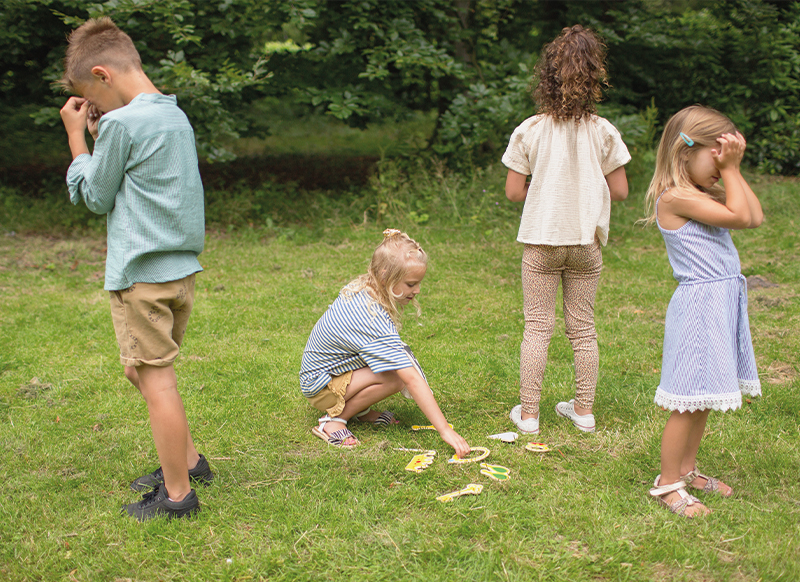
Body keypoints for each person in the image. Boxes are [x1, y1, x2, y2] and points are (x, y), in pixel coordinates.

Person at [59, 17, 212, 520]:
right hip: (178, 272)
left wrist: (78, 139)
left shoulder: (122, 124)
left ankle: (176, 496)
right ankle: (190, 462)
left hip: (141, 275)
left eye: (91, 99)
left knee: (155, 379)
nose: (94, 110)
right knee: (139, 369)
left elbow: (96, 196)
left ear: (101, 74)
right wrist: (104, 130)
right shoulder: (171, 113)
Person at [501, 25, 630, 435]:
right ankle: (584, 410)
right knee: (583, 328)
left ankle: (529, 415)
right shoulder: (603, 130)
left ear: (548, 76)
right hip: (585, 243)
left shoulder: (531, 130)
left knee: (538, 326)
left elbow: (512, 194)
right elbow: (622, 191)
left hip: (541, 241)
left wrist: (541, 182)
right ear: (595, 77)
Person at [642, 105, 762, 517]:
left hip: (719, 304)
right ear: (684, 152)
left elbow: (755, 215)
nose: (722, 167)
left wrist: (731, 169)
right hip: (699, 308)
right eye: (717, 157)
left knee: (703, 396)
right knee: (687, 401)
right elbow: (743, 217)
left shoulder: (697, 195)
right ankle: (668, 483)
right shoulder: (675, 198)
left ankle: (688, 470)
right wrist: (732, 172)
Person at [299, 229, 470, 458]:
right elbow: (409, 376)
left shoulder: (367, 290)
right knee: (396, 376)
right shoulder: (370, 316)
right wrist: (444, 430)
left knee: (396, 363)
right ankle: (334, 421)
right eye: (411, 284)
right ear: (384, 275)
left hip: (332, 372)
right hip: (320, 386)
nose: (417, 290)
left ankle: (359, 410)